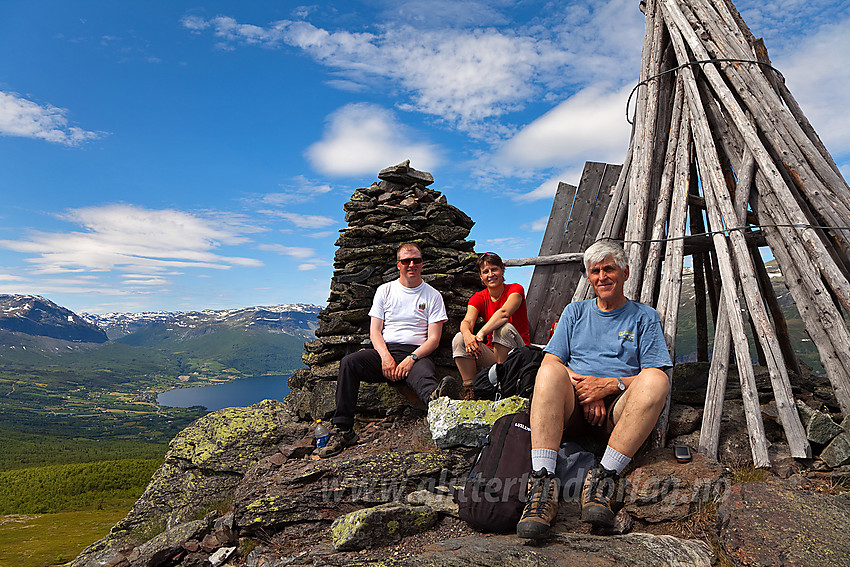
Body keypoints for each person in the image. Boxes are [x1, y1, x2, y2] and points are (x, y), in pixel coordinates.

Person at [516, 240, 672, 539]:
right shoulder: (575, 313)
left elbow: (655, 370)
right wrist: (588, 389)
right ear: (589, 277)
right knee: (548, 369)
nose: (602, 277)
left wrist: (609, 386)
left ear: (625, 272)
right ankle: (543, 482)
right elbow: (553, 360)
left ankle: (604, 477)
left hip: (619, 412)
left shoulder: (644, 317)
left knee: (656, 380)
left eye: (609, 269)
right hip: (574, 405)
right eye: (595, 271)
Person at [319, 242, 462, 458]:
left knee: (424, 376)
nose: (412, 264)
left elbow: (433, 339)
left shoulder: (433, 296)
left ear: (422, 263)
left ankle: (440, 408)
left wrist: (411, 358)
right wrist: (386, 358)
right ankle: (343, 429)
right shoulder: (385, 291)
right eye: (406, 261)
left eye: (417, 260)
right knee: (349, 363)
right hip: (385, 351)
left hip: (417, 352)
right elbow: (375, 331)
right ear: (398, 265)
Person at [452, 252, 531, 398]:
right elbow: (467, 322)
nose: (490, 274)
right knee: (459, 338)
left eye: (494, 269)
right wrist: (468, 335)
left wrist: (481, 333)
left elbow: (504, 313)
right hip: (494, 354)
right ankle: (471, 391)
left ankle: (504, 386)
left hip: (519, 354)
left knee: (503, 328)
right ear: (481, 277)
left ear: (502, 270)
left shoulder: (515, 289)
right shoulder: (479, 297)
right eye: (485, 272)